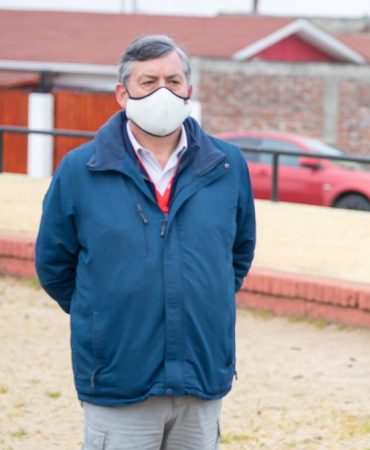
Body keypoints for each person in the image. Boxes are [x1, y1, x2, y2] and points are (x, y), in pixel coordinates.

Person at [35, 35, 256, 449]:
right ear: (123, 93)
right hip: (120, 381)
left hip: (201, 378)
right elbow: (54, 265)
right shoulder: (81, 170)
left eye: (173, 81)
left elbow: (237, 255)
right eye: (148, 81)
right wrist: (104, 315)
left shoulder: (228, 166)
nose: (162, 92)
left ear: (189, 89)